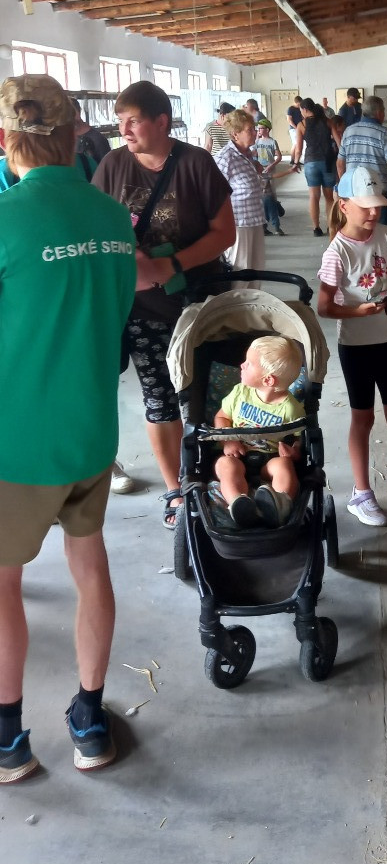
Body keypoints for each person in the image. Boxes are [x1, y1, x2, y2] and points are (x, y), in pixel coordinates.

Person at [0, 74, 136, 781]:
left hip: (17, 442)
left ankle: (7, 741)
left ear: (4, 139)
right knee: (89, 568)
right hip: (91, 433)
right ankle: (89, 721)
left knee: (4, 587)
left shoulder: (5, 219)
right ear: (74, 135)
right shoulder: (112, 218)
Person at [93, 81, 234, 529]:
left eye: (133, 121)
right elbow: (97, 224)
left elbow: (224, 232)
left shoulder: (195, 163)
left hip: (198, 304)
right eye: (120, 121)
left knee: (208, 396)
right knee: (159, 399)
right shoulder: (113, 165)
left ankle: (217, 479)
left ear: (161, 122)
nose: (124, 130)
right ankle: (176, 490)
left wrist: (171, 263)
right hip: (141, 309)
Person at [317, 166, 387, 527]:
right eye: (365, 206)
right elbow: (324, 307)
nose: (373, 212)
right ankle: (361, 493)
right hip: (356, 347)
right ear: (343, 205)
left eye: (376, 205)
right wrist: (357, 312)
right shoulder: (337, 252)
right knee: (363, 418)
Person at [214, 336, 304, 528]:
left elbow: (299, 439)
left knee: (284, 465)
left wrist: (294, 452)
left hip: (269, 459)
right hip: (238, 456)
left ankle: (279, 505)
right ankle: (238, 504)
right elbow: (221, 417)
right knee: (225, 465)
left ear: (268, 379)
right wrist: (228, 441)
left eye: (249, 363)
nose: (242, 365)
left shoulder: (291, 409)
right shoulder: (239, 393)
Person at [336, 94, 387, 226]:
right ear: (378, 112)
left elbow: (340, 163)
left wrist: (344, 186)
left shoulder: (348, 131)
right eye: (384, 111)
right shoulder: (383, 133)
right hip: (378, 189)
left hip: (354, 189)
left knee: (358, 228)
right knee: (381, 229)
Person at [214, 108, 266, 280]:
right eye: (249, 130)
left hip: (255, 220)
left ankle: (254, 299)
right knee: (240, 272)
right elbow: (213, 195)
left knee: (257, 271)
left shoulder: (249, 155)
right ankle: (237, 299)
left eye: (254, 128)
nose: (255, 133)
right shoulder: (225, 158)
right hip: (238, 225)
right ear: (235, 134)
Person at [292, 97, 337, 237]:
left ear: (305, 109)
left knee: (313, 197)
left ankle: (316, 228)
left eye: (301, 110)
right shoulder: (327, 121)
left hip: (311, 162)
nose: (301, 113)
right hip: (327, 161)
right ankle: (331, 226)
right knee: (329, 198)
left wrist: (295, 162)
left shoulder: (301, 125)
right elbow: (339, 142)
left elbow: (299, 149)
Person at [70, 96, 111, 165]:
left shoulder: (98, 140)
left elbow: (108, 167)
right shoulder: (65, 139)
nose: (69, 117)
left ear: (79, 111)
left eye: (72, 112)